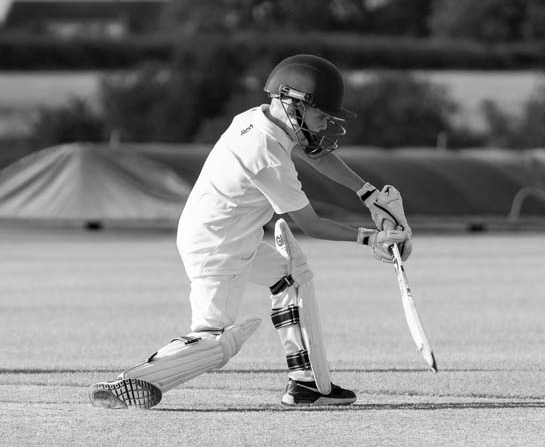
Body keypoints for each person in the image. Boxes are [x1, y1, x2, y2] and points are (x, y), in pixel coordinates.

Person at [88, 54, 412, 409]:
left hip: (223, 235)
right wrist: (371, 238)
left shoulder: (258, 118)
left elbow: (315, 154)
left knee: (292, 274)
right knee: (214, 340)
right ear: (293, 104)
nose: (323, 125)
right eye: (321, 115)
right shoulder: (266, 152)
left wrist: (369, 194)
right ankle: (132, 381)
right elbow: (312, 225)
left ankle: (307, 385)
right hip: (219, 246)